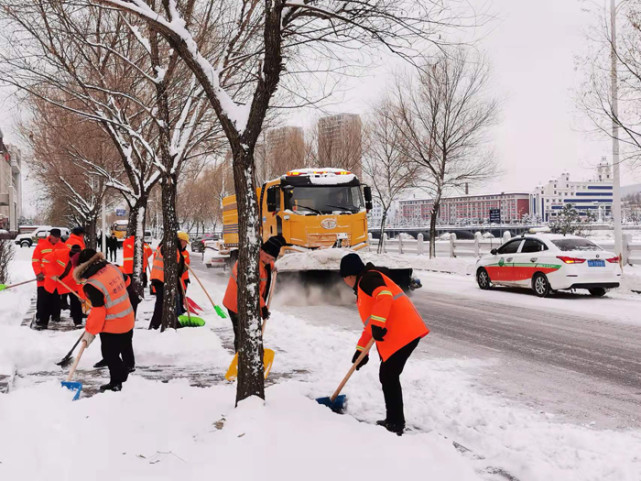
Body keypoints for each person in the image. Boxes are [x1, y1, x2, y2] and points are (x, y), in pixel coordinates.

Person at [339, 253, 429, 436]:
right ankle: (394, 421)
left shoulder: (368, 279)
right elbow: (370, 325)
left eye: (344, 278)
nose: (344, 282)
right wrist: (361, 351)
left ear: (349, 276)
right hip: (403, 333)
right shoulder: (365, 283)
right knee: (388, 375)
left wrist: (379, 324)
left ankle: (395, 423)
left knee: (388, 375)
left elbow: (385, 296)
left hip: (404, 333)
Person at [74, 249, 135, 392]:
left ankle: (118, 380)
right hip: (128, 317)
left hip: (113, 324)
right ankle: (121, 375)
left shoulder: (92, 284)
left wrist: (90, 331)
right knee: (124, 346)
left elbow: (98, 311)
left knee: (109, 355)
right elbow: (127, 281)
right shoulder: (112, 267)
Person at [222, 236, 283, 352]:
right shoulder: (248, 264)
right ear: (261, 250)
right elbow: (252, 292)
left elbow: (266, 265)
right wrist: (262, 308)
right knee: (241, 333)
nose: (268, 260)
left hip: (249, 303)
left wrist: (273, 266)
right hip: (236, 304)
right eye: (267, 257)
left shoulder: (264, 262)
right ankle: (240, 358)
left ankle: (249, 355)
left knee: (251, 332)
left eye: (271, 259)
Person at [148, 235, 190, 330]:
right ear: (181, 241)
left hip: (161, 278)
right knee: (161, 303)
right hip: (161, 278)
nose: (185, 245)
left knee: (167, 302)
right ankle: (154, 326)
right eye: (185, 242)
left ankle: (164, 323)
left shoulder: (169, 247)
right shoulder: (170, 248)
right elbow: (176, 265)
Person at [31, 228, 69, 330]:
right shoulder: (41, 246)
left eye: (58, 237)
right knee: (43, 300)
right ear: (50, 235)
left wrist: (62, 275)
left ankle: (56, 315)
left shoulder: (63, 247)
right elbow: (35, 261)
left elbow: (66, 262)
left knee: (55, 299)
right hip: (43, 279)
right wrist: (38, 273)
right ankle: (41, 320)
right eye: (55, 237)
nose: (57, 239)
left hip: (56, 280)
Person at [60, 227, 86, 310]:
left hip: (67, 266)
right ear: (80, 234)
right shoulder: (78, 242)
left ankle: (64, 303)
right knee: (77, 287)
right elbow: (81, 255)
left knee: (66, 284)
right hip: (75, 266)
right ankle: (77, 309)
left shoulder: (69, 240)